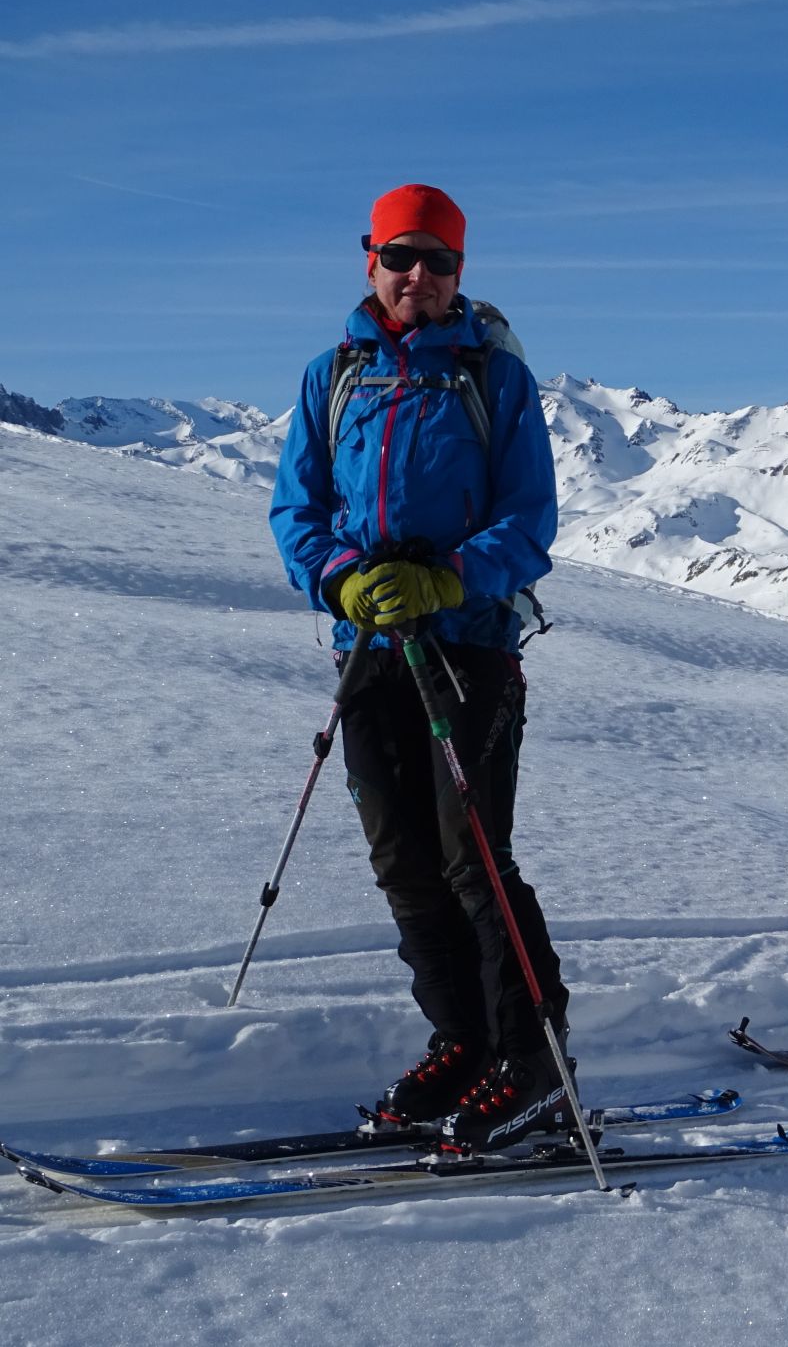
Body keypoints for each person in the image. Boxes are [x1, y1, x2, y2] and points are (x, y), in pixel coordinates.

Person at [270, 184, 573, 1150]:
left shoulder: (495, 378)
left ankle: (534, 1062)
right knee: (403, 859)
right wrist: (343, 580)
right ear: (371, 262)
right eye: (400, 256)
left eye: (437, 260)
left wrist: (447, 579)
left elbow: (529, 522)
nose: (417, 276)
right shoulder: (333, 377)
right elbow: (296, 512)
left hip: (469, 647)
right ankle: (464, 1041)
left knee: (472, 857)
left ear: (459, 273)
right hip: (368, 648)